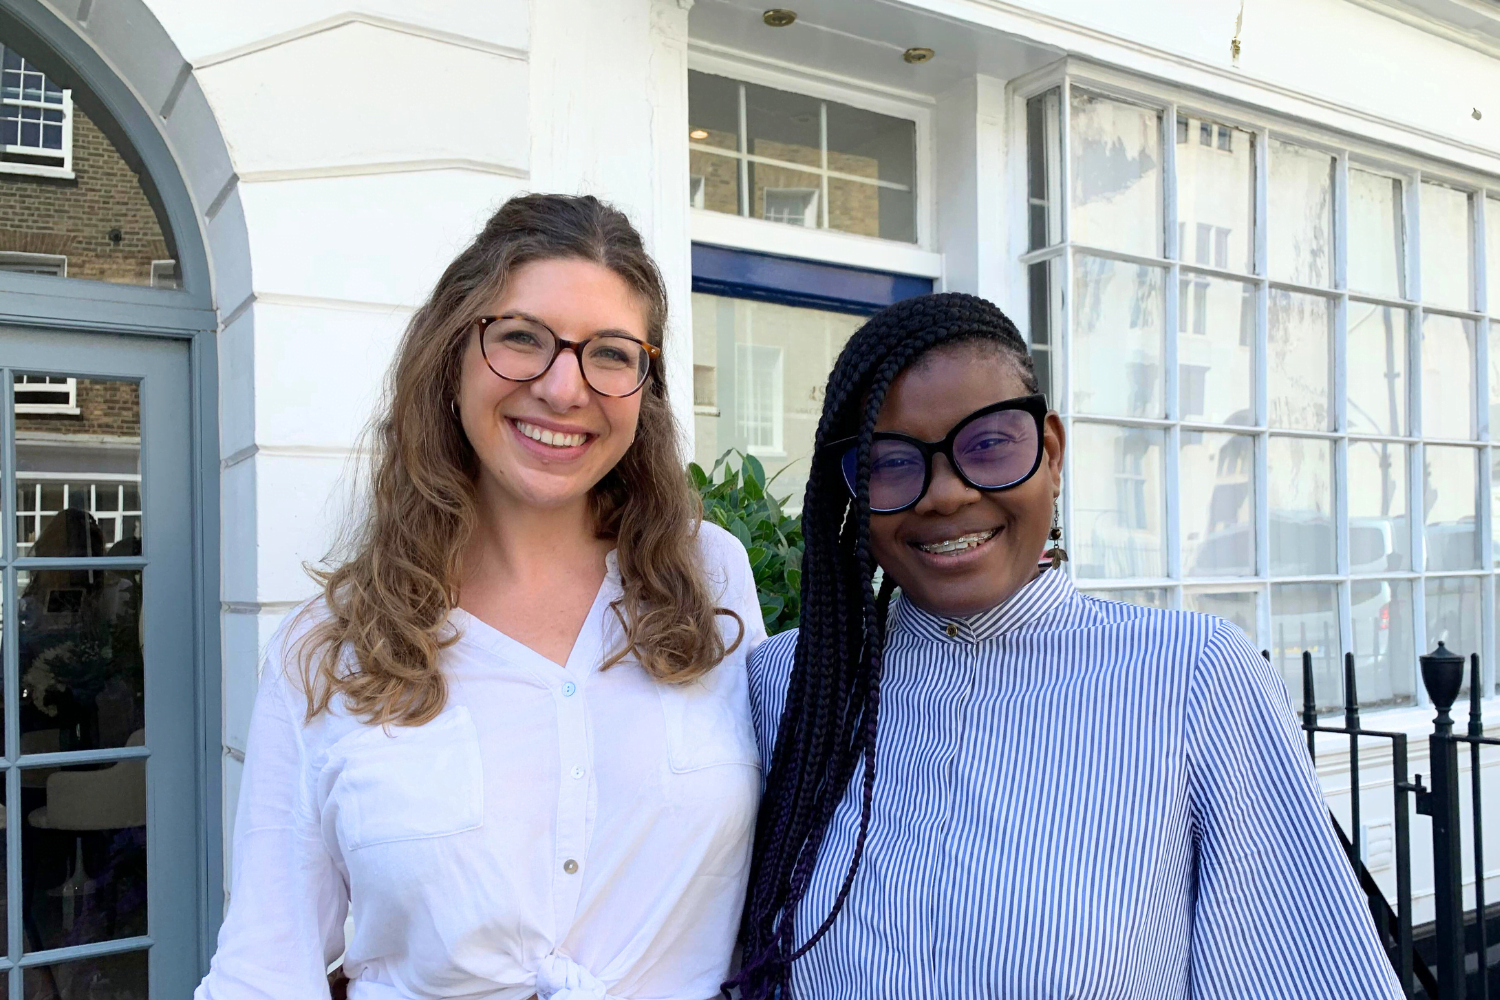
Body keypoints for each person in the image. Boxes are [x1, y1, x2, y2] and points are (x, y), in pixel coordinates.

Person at [731, 293, 1402, 999]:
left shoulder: (1190, 678)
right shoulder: (787, 688)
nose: (947, 494)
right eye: (891, 462)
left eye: (989, 445)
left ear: (1049, 452)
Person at [196, 194, 765, 1000]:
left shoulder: (709, 578)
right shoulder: (331, 644)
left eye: (610, 353)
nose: (565, 389)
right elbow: (265, 969)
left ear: (647, 383)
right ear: (452, 356)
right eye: (522, 339)